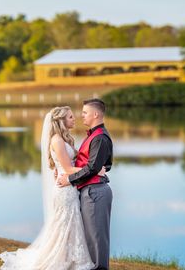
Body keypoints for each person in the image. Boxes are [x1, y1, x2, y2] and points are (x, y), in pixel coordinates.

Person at [0, 105, 106, 270]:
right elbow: (68, 169)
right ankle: (59, 259)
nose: (74, 118)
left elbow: (77, 162)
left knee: (70, 223)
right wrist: (97, 170)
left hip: (69, 186)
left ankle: (71, 258)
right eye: (70, 117)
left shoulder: (66, 139)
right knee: (64, 224)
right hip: (64, 189)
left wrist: (94, 164)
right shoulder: (57, 140)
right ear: (60, 121)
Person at [57, 98, 113, 270]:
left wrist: (69, 179)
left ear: (95, 114)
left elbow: (92, 168)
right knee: (90, 236)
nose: (82, 116)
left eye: (85, 113)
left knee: (97, 236)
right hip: (90, 191)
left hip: (95, 192)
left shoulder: (100, 137)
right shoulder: (94, 136)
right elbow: (104, 163)